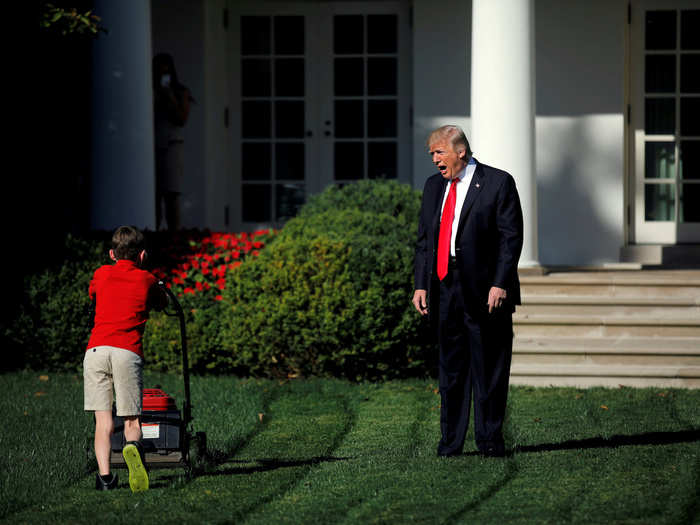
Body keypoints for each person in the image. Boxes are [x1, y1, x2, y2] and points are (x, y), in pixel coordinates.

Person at [413, 125, 523, 458]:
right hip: (445, 287)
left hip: (485, 288)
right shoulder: (434, 187)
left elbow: (510, 237)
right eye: (431, 153)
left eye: (439, 152)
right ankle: (450, 443)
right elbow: (423, 242)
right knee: (451, 369)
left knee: (489, 367)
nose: (434, 159)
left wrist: (500, 282)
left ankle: (490, 441)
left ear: (461, 151)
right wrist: (421, 284)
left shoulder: (497, 182)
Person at [84, 226, 167, 491]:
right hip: (126, 351)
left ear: (111, 253)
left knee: (103, 421)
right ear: (142, 255)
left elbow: (93, 293)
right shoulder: (146, 279)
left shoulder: (101, 273)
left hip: (96, 351)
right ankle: (132, 447)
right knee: (131, 419)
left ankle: (105, 478)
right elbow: (162, 302)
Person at [153, 53, 193, 231]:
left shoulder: (180, 92)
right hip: (151, 146)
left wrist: (169, 96)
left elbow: (181, 119)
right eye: (159, 68)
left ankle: (174, 235)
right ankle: (151, 231)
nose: (163, 71)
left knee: (171, 192)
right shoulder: (149, 90)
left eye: (166, 68)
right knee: (154, 193)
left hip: (171, 144)